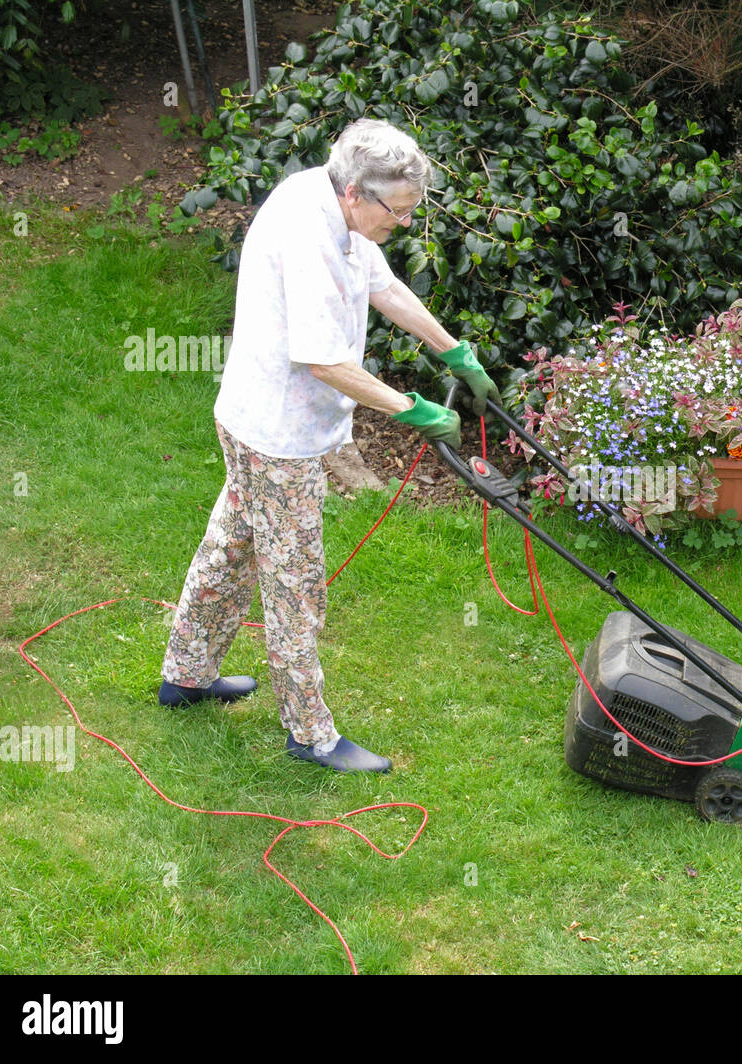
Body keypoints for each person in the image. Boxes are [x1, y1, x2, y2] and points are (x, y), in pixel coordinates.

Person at [157, 118, 496, 774]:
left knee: (233, 547)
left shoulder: (331, 199)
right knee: (296, 583)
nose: (402, 222)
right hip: (277, 438)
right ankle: (310, 733)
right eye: (397, 211)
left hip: (259, 423)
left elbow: (385, 285)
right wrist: (413, 408)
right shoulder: (307, 231)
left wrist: (451, 349)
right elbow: (322, 361)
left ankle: (186, 675)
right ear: (355, 195)